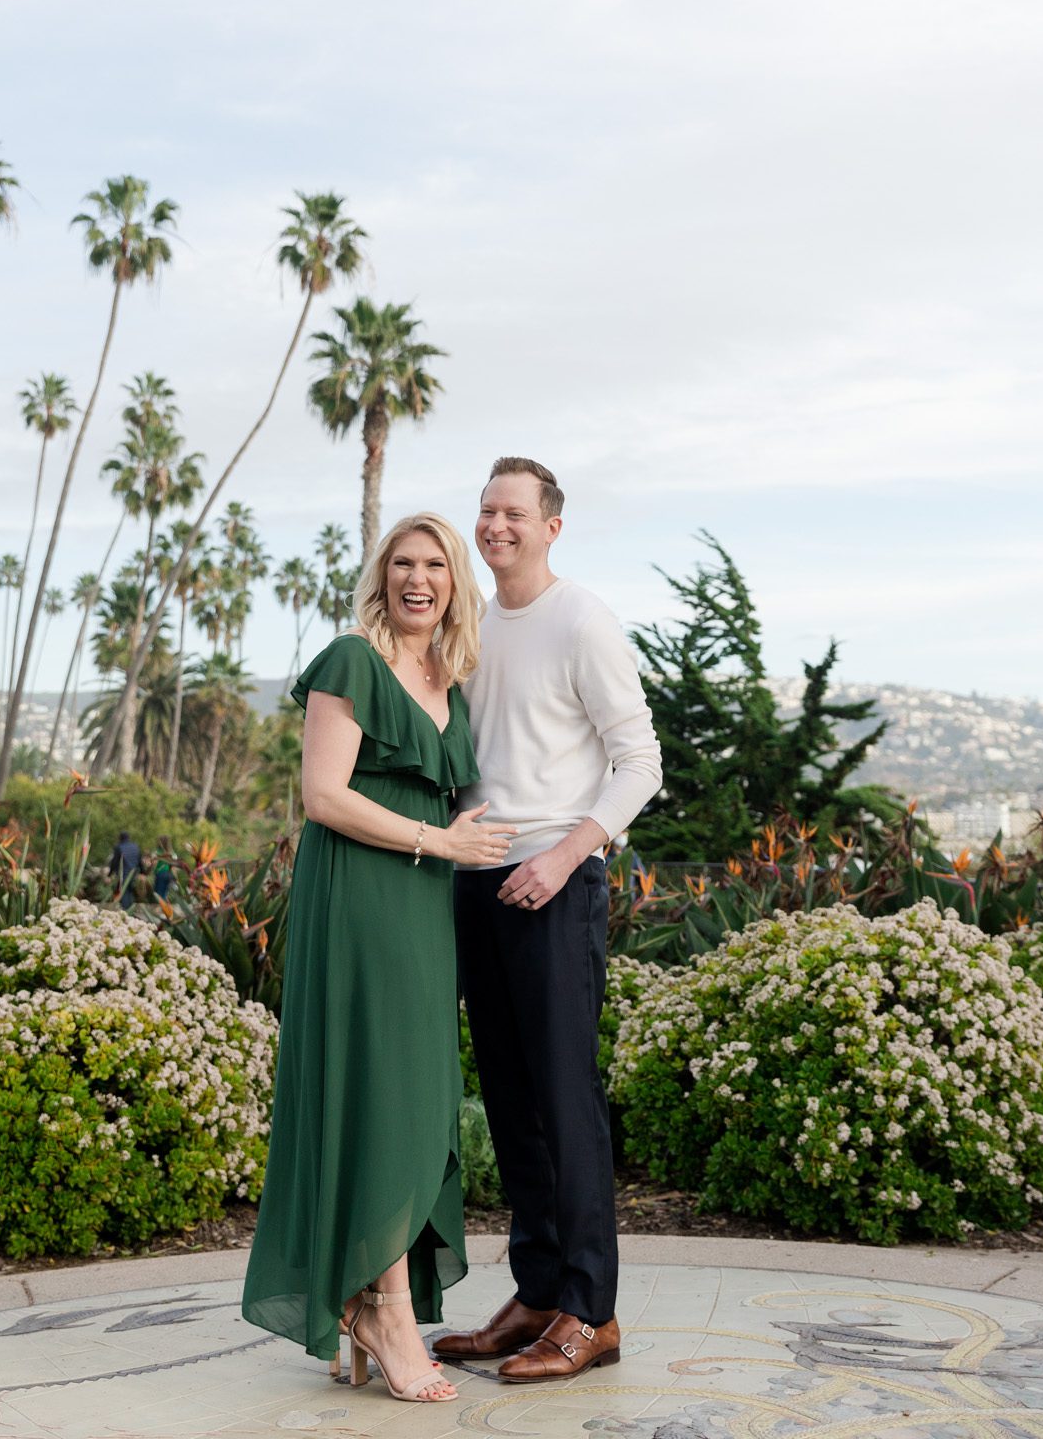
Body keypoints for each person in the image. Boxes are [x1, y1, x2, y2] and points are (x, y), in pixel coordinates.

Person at [243, 512, 517, 1404]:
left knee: (417, 1095)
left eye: (435, 565)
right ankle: (387, 1310)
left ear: (453, 583)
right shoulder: (350, 660)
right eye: (402, 562)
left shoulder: (451, 678)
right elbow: (322, 795)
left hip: (424, 908)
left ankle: (372, 1297)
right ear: (381, 575)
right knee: (379, 1091)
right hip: (359, 898)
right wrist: (436, 844)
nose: (418, 578)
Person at [433, 457, 662, 1383]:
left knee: (565, 1103)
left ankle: (590, 1313)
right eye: (485, 510)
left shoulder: (580, 620)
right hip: (478, 880)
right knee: (512, 1101)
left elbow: (638, 761)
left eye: (513, 513)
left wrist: (566, 854)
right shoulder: (474, 626)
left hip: (556, 883)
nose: (495, 526)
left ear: (551, 526)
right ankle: (536, 1293)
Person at [107, 829, 142, 906]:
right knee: (130, 892)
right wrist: (143, 872)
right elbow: (139, 861)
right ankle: (130, 911)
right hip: (133, 873)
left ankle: (125, 912)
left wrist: (109, 875)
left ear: (120, 838)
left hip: (124, 873)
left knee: (123, 892)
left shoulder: (119, 847)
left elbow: (114, 862)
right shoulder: (135, 847)